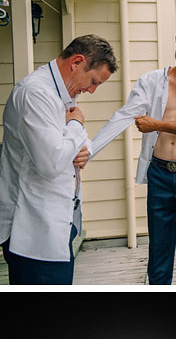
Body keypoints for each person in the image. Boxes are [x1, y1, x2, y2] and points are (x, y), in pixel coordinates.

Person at [87, 26, 176, 286]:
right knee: (158, 249)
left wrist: (157, 125)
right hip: (159, 173)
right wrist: (89, 150)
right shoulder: (152, 81)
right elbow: (124, 114)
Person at [0, 35, 116, 284]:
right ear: (77, 62)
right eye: (94, 81)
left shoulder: (63, 91)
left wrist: (82, 147)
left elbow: (70, 143)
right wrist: (76, 124)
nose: (92, 91)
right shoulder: (36, 94)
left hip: (57, 223)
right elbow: (51, 163)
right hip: (32, 231)